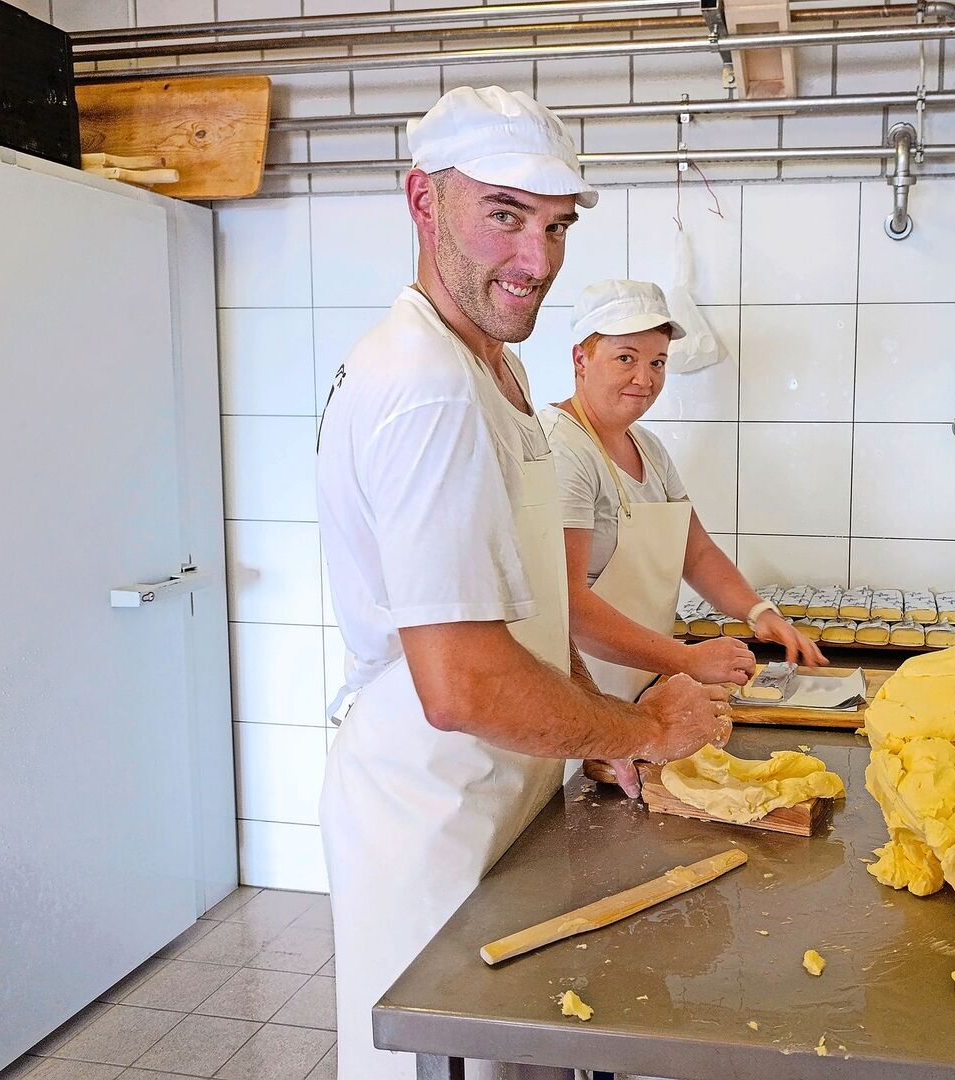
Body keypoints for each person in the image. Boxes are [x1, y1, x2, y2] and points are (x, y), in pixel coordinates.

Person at [315, 88, 732, 1080]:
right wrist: (641, 731)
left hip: (502, 784)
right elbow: (460, 684)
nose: (537, 260)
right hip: (434, 804)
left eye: (555, 226)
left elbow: (532, 616)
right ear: (423, 202)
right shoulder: (425, 385)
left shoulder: (492, 372)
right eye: (504, 215)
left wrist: (594, 735)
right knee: (439, 1063)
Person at [541, 279, 827, 704]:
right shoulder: (562, 449)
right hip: (580, 693)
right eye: (626, 358)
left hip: (640, 683)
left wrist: (758, 612)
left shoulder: (648, 448)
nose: (644, 379)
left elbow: (696, 552)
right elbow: (569, 606)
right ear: (581, 359)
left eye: (657, 362)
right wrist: (686, 659)